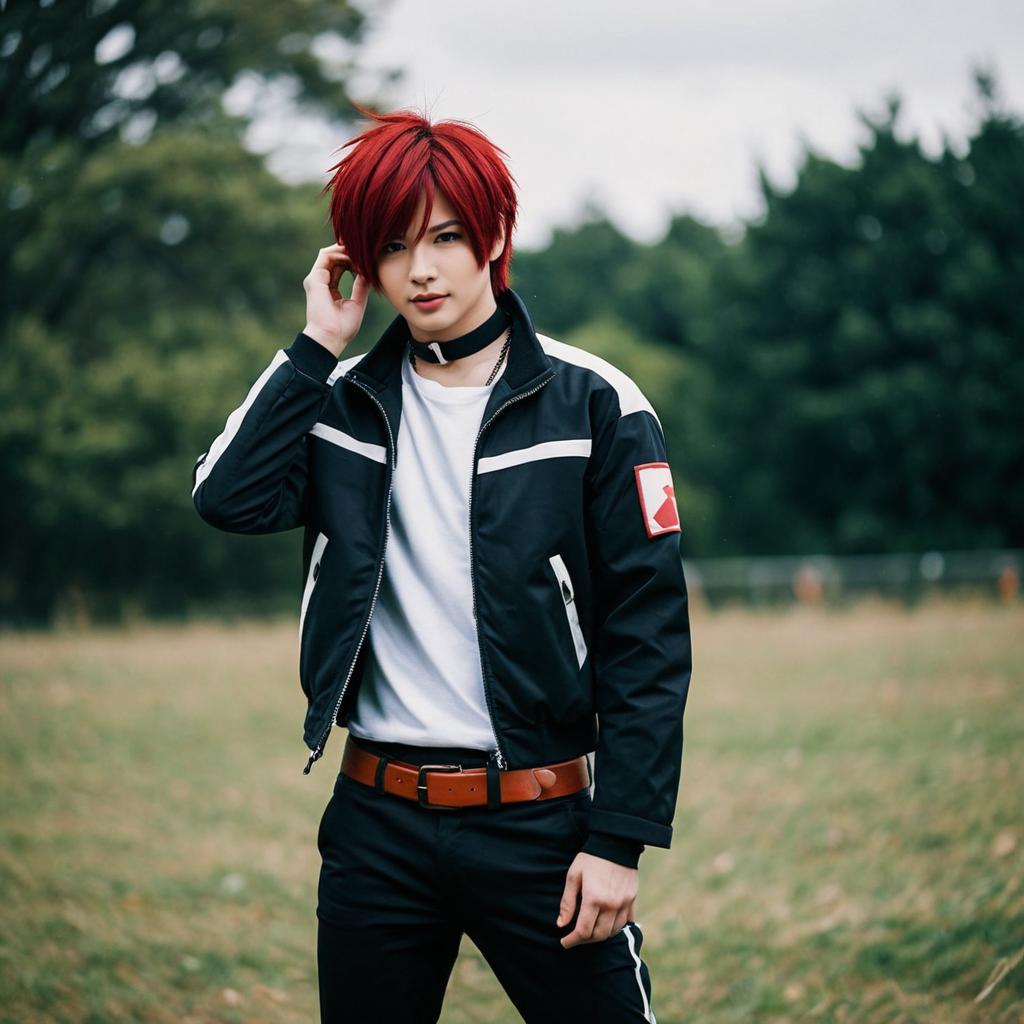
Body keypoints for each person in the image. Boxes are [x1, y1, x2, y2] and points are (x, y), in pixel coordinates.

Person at [191, 103, 692, 1023]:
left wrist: (619, 840)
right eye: (391, 247)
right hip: (375, 823)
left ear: (493, 237)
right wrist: (317, 346)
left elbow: (648, 635)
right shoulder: (340, 403)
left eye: (446, 238)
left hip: (541, 820)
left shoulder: (597, 404)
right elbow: (227, 497)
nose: (419, 269)